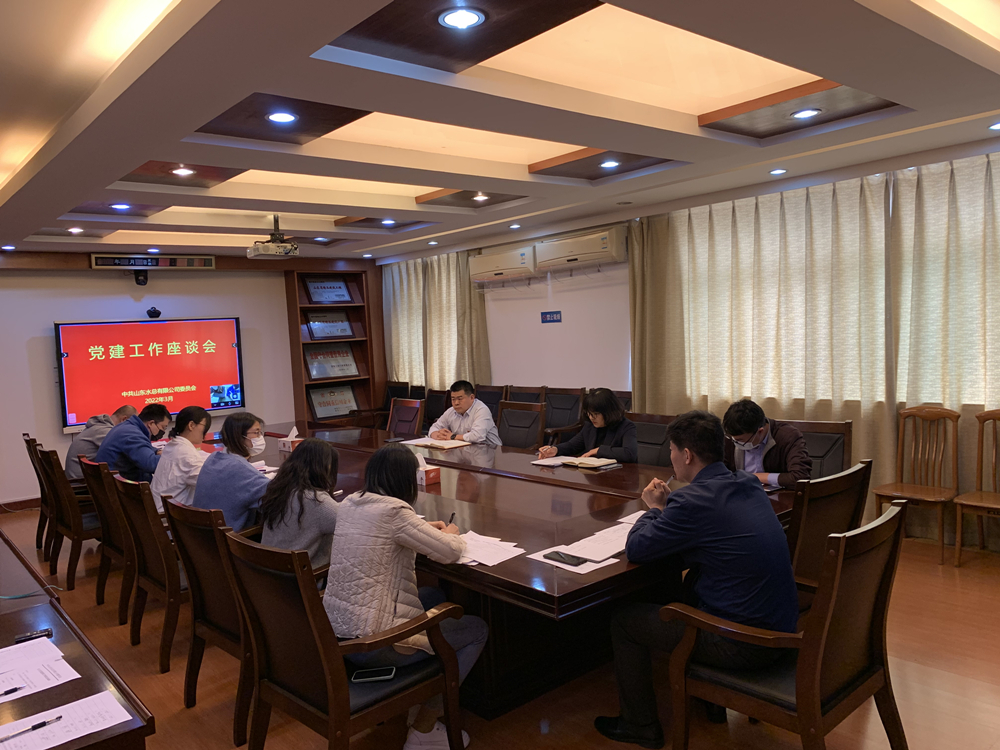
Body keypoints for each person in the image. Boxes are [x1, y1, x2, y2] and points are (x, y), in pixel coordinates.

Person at [594, 411, 798, 748]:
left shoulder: (692, 500)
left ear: (686, 455)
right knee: (688, 583)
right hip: (782, 626)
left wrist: (654, 509)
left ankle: (639, 725)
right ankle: (711, 705)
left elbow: (638, 547)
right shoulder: (747, 483)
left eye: (672, 450)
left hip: (744, 643)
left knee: (624, 621)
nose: (671, 457)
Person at [324, 445, 488, 750]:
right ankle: (424, 728)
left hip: (336, 635)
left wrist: (422, 528)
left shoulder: (350, 503)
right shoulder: (395, 512)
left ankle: (416, 704)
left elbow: (383, 532)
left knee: (433, 594)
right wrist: (451, 534)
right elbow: (450, 551)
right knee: (476, 629)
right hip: (375, 643)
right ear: (406, 480)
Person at [259, 438, 340, 568]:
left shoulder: (278, 489)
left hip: (266, 570)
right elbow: (351, 527)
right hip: (299, 576)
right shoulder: (318, 502)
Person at [192, 412, 271, 532]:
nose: (260, 437)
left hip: (200, 535)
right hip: (228, 539)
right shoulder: (239, 468)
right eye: (256, 433)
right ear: (239, 436)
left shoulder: (214, 457)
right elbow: (275, 497)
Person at [722, 399, 812, 488]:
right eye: (732, 439)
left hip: (778, 495)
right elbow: (718, 472)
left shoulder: (788, 436)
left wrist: (755, 477)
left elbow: (800, 477)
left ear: (760, 431)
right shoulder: (729, 437)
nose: (735, 442)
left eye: (741, 440)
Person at [537, 388, 637, 463]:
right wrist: (556, 449)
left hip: (618, 476)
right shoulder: (590, 426)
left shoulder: (626, 426)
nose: (591, 417)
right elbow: (573, 445)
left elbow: (629, 453)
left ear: (609, 412)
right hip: (593, 475)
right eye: (589, 413)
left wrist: (598, 450)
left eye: (596, 414)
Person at [150, 406, 211, 512]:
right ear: (191, 425)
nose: (205, 432)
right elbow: (208, 482)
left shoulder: (172, 445)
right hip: (168, 516)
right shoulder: (186, 453)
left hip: (159, 509)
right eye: (205, 426)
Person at [94, 403, 171, 483]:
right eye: (163, 427)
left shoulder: (128, 427)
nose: (163, 431)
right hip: (120, 485)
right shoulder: (132, 435)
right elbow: (151, 464)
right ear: (151, 423)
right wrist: (173, 457)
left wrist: (157, 451)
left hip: (114, 481)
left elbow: (141, 447)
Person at [64, 405, 136, 480]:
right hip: (81, 483)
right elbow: (128, 454)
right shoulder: (106, 432)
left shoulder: (99, 428)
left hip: (79, 479)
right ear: (124, 420)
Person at [428, 380, 501, 446]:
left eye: (460, 399)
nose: (456, 403)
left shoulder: (481, 410)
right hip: (466, 450)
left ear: (472, 398)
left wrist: (452, 436)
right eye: (453, 399)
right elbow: (434, 427)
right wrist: (437, 435)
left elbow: (477, 436)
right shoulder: (451, 411)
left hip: (491, 451)